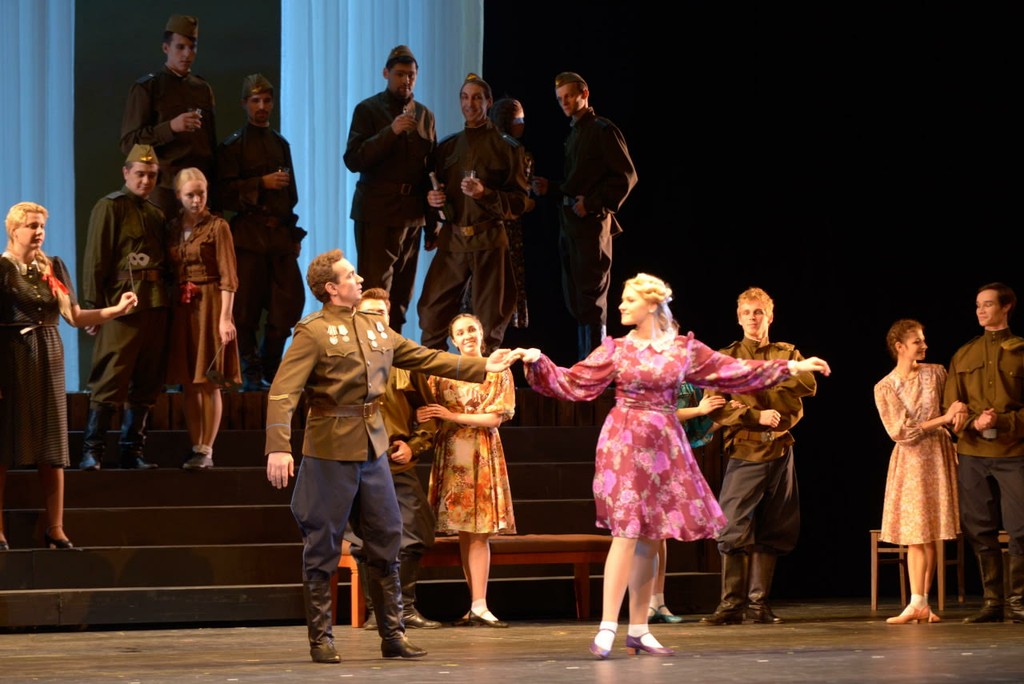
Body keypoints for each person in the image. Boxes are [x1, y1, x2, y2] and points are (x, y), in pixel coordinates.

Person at [517, 273, 831, 658]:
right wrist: (539, 362)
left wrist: (791, 368)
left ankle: (639, 629)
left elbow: (732, 371)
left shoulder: (682, 349)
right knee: (626, 532)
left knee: (651, 536)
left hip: (665, 444)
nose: (621, 305)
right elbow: (575, 382)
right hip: (625, 442)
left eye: (629, 299)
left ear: (651, 305)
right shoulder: (617, 349)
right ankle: (607, 626)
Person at [264, 248, 520, 664]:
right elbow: (283, 392)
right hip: (329, 447)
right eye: (351, 275)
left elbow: (425, 357)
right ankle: (321, 638)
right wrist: (278, 445)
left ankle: (393, 633)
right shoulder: (313, 332)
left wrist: (481, 367)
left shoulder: (374, 329)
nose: (359, 279)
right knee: (322, 542)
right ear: (331, 288)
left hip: (373, 447)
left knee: (387, 537)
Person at [1, 203, 137, 550]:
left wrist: (116, 309)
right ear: (14, 230)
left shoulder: (53, 266)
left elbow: (74, 317)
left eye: (42, 226)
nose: (39, 232)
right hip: (12, 356)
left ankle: (56, 528)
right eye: (32, 226)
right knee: (3, 443)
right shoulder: (3, 269)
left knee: (52, 443)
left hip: (49, 355)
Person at [700, 287, 820, 626]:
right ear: (738, 318)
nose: (753, 317)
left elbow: (806, 387)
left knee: (775, 527)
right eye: (747, 312)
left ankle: (758, 605)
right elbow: (717, 406)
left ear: (770, 316)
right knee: (732, 527)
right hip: (746, 449)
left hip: (780, 449)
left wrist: (757, 392)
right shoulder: (726, 358)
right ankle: (730, 606)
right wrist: (754, 414)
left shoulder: (788, 353)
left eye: (759, 312)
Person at [347, 287, 442, 631]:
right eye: (369, 313)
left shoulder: (405, 357)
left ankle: (406, 609)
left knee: (415, 532)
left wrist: (414, 446)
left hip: (398, 461)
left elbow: (428, 414)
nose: (377, 319)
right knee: (365, 539)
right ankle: (378, 612)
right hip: (359, 461)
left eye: (382, 313)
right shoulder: (347, 358)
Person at [417, 73, 531, 353]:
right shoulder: (448, 147)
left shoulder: (506, 148)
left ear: (488, 102)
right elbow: (436, 192)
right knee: (431, 315)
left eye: (477, 98)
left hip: (489, 239)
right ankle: (435, 377)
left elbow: (520, 202)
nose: (470, 104)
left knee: (489, 326)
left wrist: (485, 194)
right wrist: (433, 200)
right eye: (465, 97)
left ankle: (486, 379)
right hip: (453, 240)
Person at [417, 313, 517, 628]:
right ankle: (475, 605)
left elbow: (495, 418)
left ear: (482, 333)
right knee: (464, 531)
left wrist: (452, 416)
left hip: (482, 453)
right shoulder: (441, 374)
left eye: (472, 329)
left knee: (479, 531)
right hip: (452, 456)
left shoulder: (497, 370)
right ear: (453, 340)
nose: (467, 335)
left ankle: (480, 604)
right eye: (460, 332)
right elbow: (427, 411)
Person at [79, 144, 171, 471]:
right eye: (140, 174)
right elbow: (96, 258)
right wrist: (93, 307)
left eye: (152, 175)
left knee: (147, 380)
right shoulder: (110, 207)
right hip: (122, 303)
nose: (146, 181)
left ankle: (132, 451)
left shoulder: (156, 213)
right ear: (126, 173)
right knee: (111, 375)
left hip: (155, 303)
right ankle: (93, 450)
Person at [216, 73, 305, 391]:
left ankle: (270, 367)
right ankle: (251, 373)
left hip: (278, 236)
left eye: (267, 100)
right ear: (245, 104)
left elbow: (291, 195)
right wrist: (260, 183)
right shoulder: (233, 146)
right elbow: (223, 194)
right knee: (244, 311)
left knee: (288, 306)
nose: (262, 106)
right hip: (248, 236)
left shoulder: (280, 144)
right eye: (255, 101)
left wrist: (292, 234)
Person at [943, 282, 1024, 624]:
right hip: (973, 452)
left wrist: (1002, 421)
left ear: (1006, 307)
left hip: (1014, 451)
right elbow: (950, 405)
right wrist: (973, 421)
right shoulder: (964, 354)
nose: (980, 310)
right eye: (978, 305)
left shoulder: (1021, 351)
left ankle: (1018, 602)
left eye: (988, 304)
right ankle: (993, 602)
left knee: (1020, 528)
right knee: (978, 527)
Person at [874, 319, 964, 624]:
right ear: (900, 347)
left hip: (937, 455)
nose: (924, 345)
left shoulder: (936, 372)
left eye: (923, 340)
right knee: (916, 534)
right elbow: (901, 431)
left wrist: (957, 416)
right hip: (911, 459)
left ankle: (922, 602)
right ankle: (917, 603)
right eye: (917, 342)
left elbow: (952, 407)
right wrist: (943, 420)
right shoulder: (885, 386)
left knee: (932, 533)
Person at [343, 45, 436, 335]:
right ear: (386, 73)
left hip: (412, 216)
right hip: (377, 214)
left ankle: (395, 356)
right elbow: (353, 159)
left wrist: (433, 224)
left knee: (402, 298)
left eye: (411, 75)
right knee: (375, 295)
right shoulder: (368, 110)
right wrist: (391, 131)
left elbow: (430, 172)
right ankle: (372, 356)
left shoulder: (425, 116)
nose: (405, 80)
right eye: (399, 74)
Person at [552, 72, 637, 360]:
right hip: (571, 225)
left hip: (591, 226)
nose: (564, 102)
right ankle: (586, 368)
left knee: (591, 300)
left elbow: (626, 177)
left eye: (569, 96)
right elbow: (578, 181)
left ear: (584, 93)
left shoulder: (602, 130)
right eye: (560, 99)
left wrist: (592, 204)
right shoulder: (575, 133)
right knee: (576, 299)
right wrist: (550, 188)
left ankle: (595, 371)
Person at [165, 168, 241, 469]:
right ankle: (195, 445)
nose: (197, 200)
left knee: (210, 380)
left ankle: (207, 448)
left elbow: (228, 276)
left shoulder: (218, 227)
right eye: (190, 195)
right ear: (178, 196)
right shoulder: (172, 227)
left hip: (210, 304)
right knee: (189, 380)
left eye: (201, 194)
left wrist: (225, 319)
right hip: (182, 308)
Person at [120, 14, 217, 218]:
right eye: (180, 47)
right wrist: (171, 127)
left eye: (192, 47)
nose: (187, 54)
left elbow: (210, 145)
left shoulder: (202, 88)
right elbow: (129, 143)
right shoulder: (148, 87)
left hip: (199, 192)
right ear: (166, 48)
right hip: (165, 192)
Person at [648, 382, 727, 624]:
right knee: (648, 533)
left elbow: (696, 430)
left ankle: (658, 601)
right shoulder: (654, 374)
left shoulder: (689, 384)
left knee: (660, 534)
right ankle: (646, 603)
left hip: (671, 457)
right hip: (647, 454)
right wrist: (700, 410)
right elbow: (656, 413)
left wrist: (728, 415)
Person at [487, 97, 544, 329]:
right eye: (520, 119)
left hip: (485, 222)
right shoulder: (518, 152)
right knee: (505, 280)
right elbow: (524, 194)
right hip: (508, 226)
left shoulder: (485, 146)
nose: (523, 124)